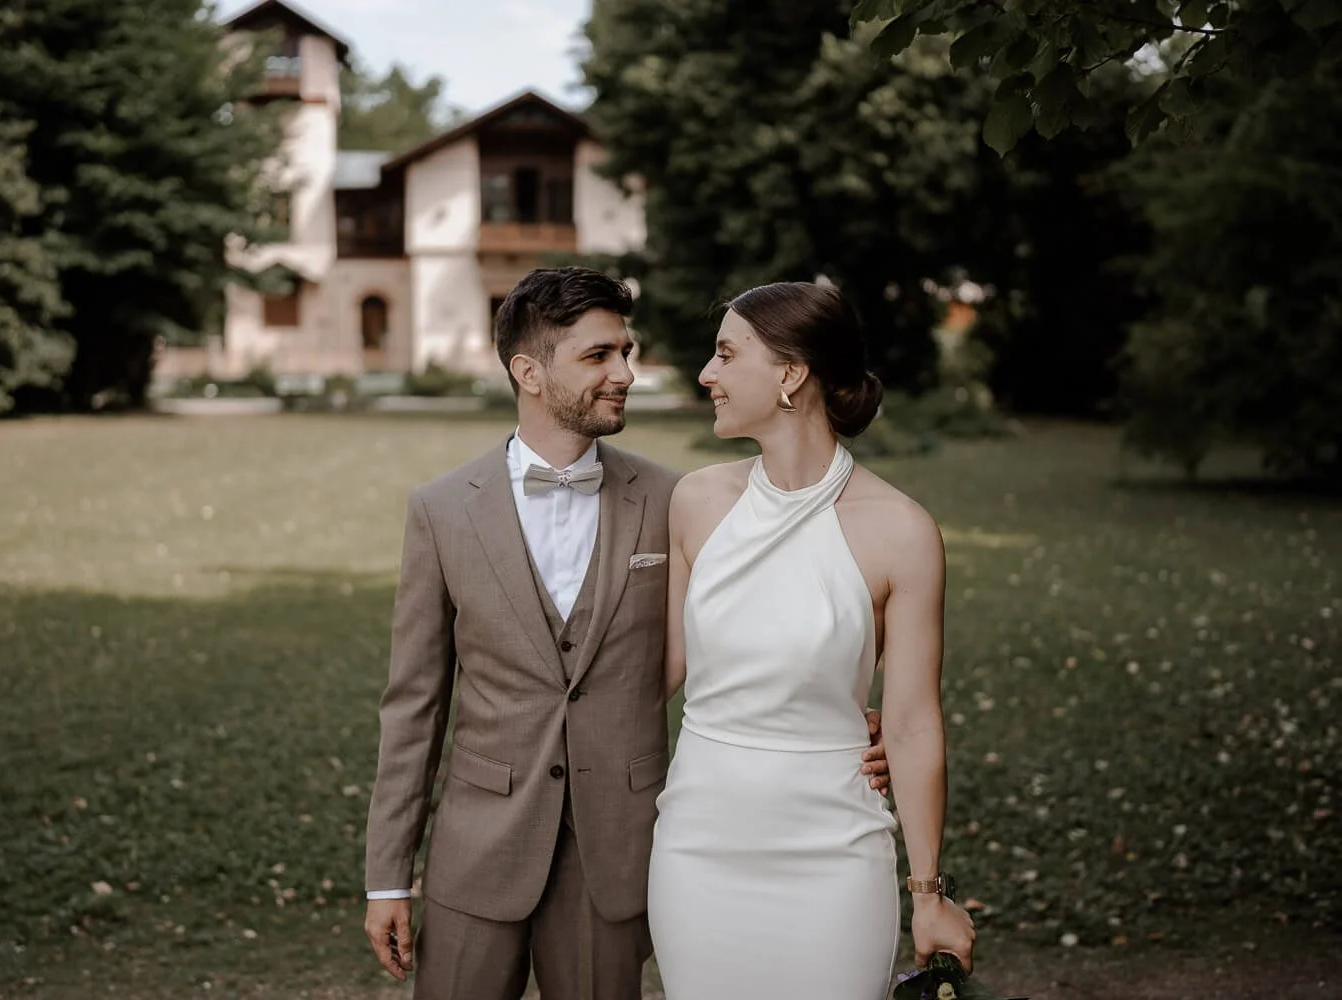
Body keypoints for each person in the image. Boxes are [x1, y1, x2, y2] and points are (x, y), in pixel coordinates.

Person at [362, 267, 891, 1000]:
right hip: (478, 848)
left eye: (626, 352)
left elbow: (777, 614)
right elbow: (413, 705)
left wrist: (843, 717)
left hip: (619, 849)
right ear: (529, 372)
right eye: (598, 356)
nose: (625, 374)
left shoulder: (681, 499)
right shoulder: (443, 510)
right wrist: (388, 874)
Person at [648, 281, 975, 999]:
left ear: (791, 374)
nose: (707, 373)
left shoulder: (902, 530)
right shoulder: (696, 503)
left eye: (727, 354)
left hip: (835, 853)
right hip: (698, 848)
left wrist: (927, 892)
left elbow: (915, 720)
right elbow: (656, 672)